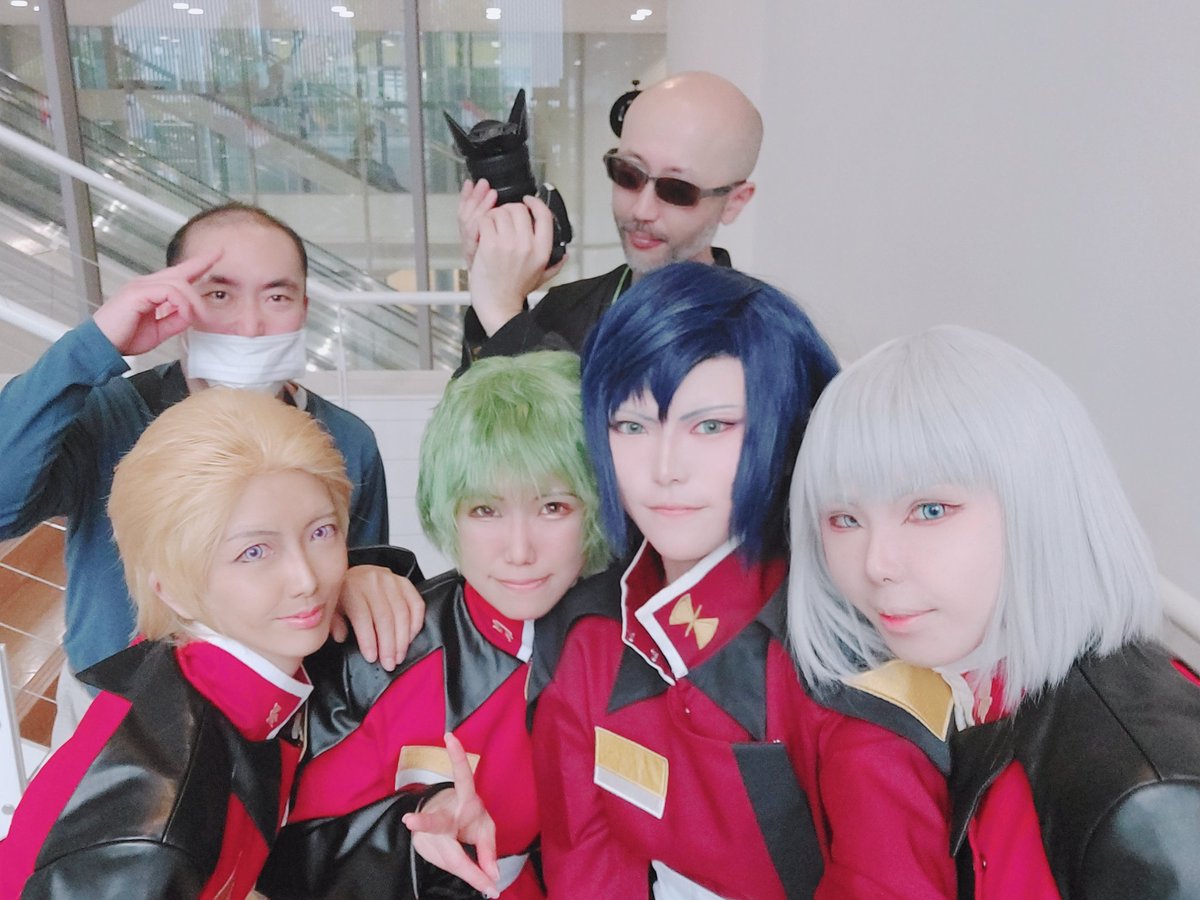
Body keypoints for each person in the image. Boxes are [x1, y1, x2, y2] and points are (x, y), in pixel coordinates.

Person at [532, 262, 957, 898]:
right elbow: (585, 868)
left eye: (710, 426)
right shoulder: (586, 635)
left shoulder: (848, 664)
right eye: (631, 425)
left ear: (785, 436)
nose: (665, 468)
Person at [787, 325, 1200, 898]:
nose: (876, 564)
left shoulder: (1148, 802)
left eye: (930, 510)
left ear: (1043, 504)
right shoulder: (980, 693)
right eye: (845, 520)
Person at [0, 202, 418, 747]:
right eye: (219, 295)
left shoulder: (346, 438)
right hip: (119, 719)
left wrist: (361, 578)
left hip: (283, 718)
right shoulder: (110, 415)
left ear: (304, 308)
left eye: (277, 297)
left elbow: (346, 605)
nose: (250, 325)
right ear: (174, 301)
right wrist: (95, 344)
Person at [258, 351, 611, 899]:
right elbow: (296, 855)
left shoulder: (639, 647)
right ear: (446, 512)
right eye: (485, 510)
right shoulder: (385, 648)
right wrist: (417, 827)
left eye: (553, 507)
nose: (520, 551)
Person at [0, 388, 352, 894]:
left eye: (321, 533)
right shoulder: (157, 823)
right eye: (254, 552)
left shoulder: (188, 667)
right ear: (172, 588)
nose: (307, 579)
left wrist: (370, 576)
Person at [459, 71, 761, 363]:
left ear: (734, 202)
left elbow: (605, 400)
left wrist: (504, 319)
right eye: (629, 174)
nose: (642, 211)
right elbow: (474, 399)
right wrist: (491, 282)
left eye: (677, 190)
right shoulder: (562, 309)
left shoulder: (764, 335)